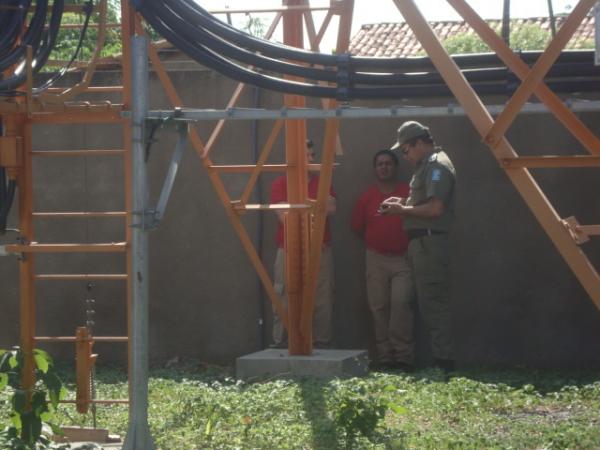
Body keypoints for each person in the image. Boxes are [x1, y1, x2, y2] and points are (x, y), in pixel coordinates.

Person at [380, 121, 456, 373]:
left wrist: (401, 210)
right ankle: (440, 362)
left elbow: (435, 208)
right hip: (421, 244)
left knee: (434, 303)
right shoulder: (425, 166)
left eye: (405, 150)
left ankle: (443, 364)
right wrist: (402, 202)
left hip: (429, 242)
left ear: (418, 143)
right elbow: (423, 202)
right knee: (426, 302)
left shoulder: (436, 167)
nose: (405, 156)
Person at [351, 150, 414, 371]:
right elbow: (358, 227)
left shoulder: (408, 193)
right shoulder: (367, 197)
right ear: (375, 169)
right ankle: (386, 358)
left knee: (400, 305)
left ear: (395, 167)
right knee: (378, 307)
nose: (384, 167)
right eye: (380, 164)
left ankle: (403, 357)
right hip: (375, 258)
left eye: (388, 164)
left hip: (402, 259)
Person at [270, 139, 336, 348]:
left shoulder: (322, 181)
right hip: (289, 250)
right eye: (306, 156)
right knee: (284, 295)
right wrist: (315, 206)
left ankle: (321, 343)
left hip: (319, 250)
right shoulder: (280, 184)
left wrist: (302, 206)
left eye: (312, 155)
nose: (311, 160)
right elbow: (285, 216)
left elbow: (332, 207)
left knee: (321, 298)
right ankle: (282, 342)